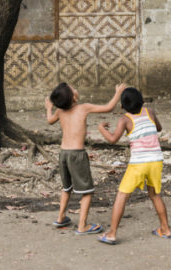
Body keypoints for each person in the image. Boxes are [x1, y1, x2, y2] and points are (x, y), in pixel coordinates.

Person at [45, 82, 125, 236]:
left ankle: (61, 217)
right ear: (73, 96)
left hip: (63, 154)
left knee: (66, 188)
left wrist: (49, 108)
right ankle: (82, 226)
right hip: (77, 155)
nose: (76, 89)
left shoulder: (60, 111)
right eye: (73, 88)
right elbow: (108, 107)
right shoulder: (83, 107)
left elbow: (49, 120)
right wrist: (118, 93)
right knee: (87, 191)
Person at [96, 86, 171, 245]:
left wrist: (101, 128)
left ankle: (111, 233)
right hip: (156, 160)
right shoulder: (150, 112)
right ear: (142, 101)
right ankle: (165, 228)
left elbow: (112, 139)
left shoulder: (124, 120)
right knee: (155, 194)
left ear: (122, 107)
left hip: (138, 163)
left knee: (122, 195)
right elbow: (159, 128)